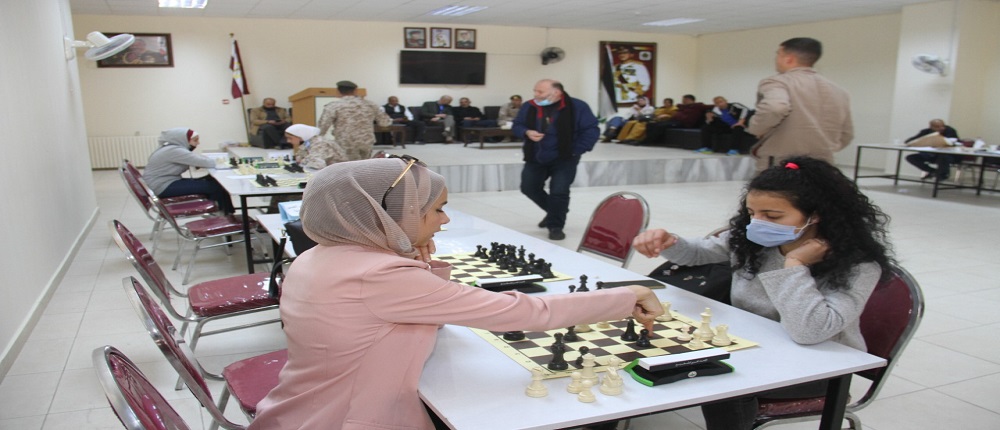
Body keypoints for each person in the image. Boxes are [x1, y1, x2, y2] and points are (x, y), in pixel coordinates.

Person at [248, 157, 664, 430]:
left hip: (298, 406)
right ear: (393, 215)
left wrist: (421, 261)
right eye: (437, 209)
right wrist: (629, 295)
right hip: (351, 419)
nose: (445, 220)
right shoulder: (381, 275)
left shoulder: (317, 255)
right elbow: (526, 313)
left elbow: (423, 314)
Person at [632, 156, 894, 430]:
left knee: (724, 382)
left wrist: (794, 265)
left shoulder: (857, 265)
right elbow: (698, 253)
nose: (757, 223)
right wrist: (669, 242)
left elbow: (809, 332)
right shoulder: (751, 240)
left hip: (822, 366)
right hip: (754, 344)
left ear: (815, 215)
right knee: (659, 350)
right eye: (752, 212)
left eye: (772, 216)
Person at [747, 37, 853, 172]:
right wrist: (825, 148)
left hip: (782, 162)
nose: (776, 59)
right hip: (823, 163)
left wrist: (755, 128)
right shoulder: (838, 90)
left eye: (778, 54)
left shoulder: (778, 82)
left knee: (776, 187)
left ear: (788, 59)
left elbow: (776, 107)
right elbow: (846, 134)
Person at [512, 79, 600, 241]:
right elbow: (517, 125)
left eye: (540, 92)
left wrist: (576, 150)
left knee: (559, 191)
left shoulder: (578, 107)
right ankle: (555, 211)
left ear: (556, 92)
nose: (536, 95)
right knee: (529, 187)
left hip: (565, 157)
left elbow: (591, 130)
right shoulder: (529, 106)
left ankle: (556, 226)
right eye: (535, 91)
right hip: (536, 156)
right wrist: (526, 132)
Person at [143, 128, 233, 214]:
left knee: (211, 180)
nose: (198, 143)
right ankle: (223, 215)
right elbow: (205, 162)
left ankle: (224, 212)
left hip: (162, 183)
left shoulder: (171, 148)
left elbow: (197, 160)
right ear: (183, 140)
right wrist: (226, 162)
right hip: (162, 186)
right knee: (215, 187)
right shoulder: (174, 150)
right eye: (195, 140)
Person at [317, 81, 392, 161]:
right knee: (364, 165)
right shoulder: (371, 104)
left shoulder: (334, 106)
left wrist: (318, 140)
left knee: (348, 165)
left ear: (338, 91)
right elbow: (385, 122)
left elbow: (323, 127)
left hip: (345, 142)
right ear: (355, 90)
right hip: (366, 141)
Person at [640, 94, 710, 145]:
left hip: (683, 123)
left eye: (684, 99)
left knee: (660, 126)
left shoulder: (698, 106)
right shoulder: (682, 106)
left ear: (688, 99)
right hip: (674, 121)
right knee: (651, 124)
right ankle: (651, 140)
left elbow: (711, 107)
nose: (682, 101)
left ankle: (647, 142)